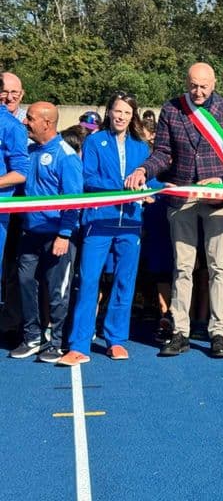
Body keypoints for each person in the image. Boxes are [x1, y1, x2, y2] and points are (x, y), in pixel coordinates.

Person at [124, 62, 223, 359]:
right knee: (182, 267)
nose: (198, 91)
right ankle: (181, 331)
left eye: (204, 86)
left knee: (218, 266)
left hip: (218, 198)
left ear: (214, 83)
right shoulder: (172, 109)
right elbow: (163, 153)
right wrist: (143, 169)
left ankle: (218, 332)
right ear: (186, 82)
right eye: (193, 85)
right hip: (182, 196)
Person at [58, 92, 153, 365]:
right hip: (98, 222)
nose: (121, 116)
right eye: (117, 111)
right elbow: (88, 178)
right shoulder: (94, 142)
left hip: (131, 223)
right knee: (88, 281)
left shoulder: (140, 146)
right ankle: (78, 343)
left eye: (127, 112)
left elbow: (149, 179)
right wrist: (122, 189)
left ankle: (116, 340)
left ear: (133, 115)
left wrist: (152, 191)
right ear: (109, 112)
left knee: (125, 282)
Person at [10, 102, 82, 363]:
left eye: (30, 118)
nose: (25, 122)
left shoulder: (66, 156)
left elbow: (74, 200)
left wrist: (64, 234)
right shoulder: (28, 151)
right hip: (30, 233)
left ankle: (57, 341)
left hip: (57, 236)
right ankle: (32, 337)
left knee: (57, 290)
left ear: (47, 123)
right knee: (26, 282)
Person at [0, 74, 29, 330]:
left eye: (14, 93)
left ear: (22, 94)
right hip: (7, 204)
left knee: (14, 269)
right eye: (4, 91)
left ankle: (12, 324)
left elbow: (22, 170)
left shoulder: (22, 125)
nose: (8, 97)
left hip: (20, 208)